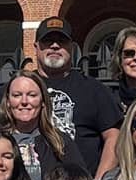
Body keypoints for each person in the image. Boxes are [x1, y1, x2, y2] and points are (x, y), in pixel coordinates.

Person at [21, 16, 119, 172]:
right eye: (48, 41)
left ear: (72, 47)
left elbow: (114, 136)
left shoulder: (94, 89)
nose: (55, 46)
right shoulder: (19, 87)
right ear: (36, 46)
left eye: (62, 41)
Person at [0, 71, 85, 180]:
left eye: (32, 95)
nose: (24, 101)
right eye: (17, 95)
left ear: (43, 101)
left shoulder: (60, 142)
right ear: (8, 102)